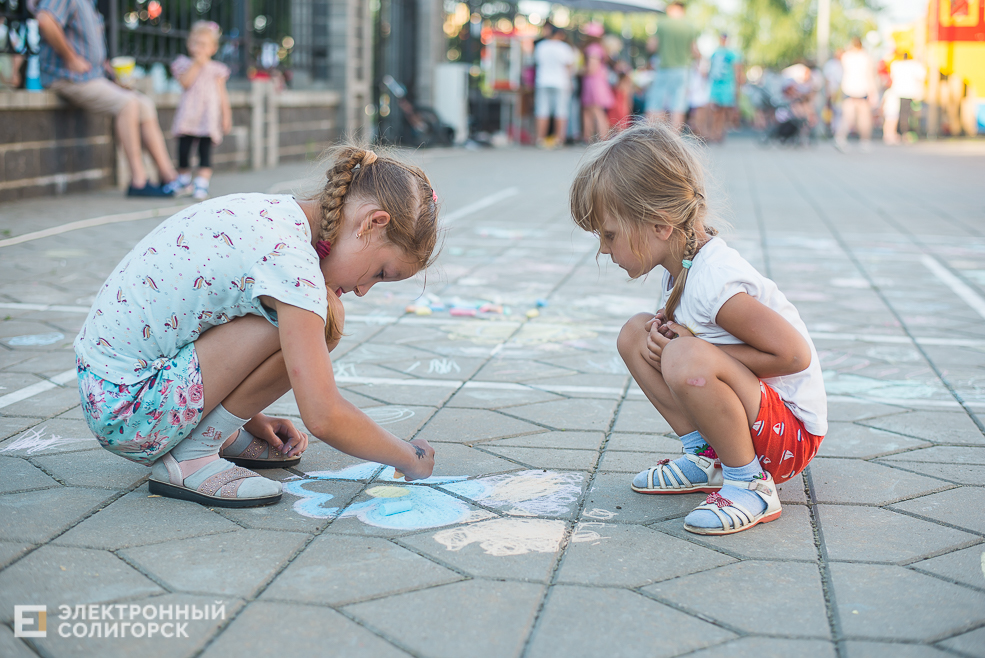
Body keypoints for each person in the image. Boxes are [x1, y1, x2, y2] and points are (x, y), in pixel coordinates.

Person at [74, 146, 439, 507]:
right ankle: (192, 457)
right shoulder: (293, 266)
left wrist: (247, 419)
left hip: (109, 391)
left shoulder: (277, 213)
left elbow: (201, 311)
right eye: (380, 273)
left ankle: (207, 432)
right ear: (373, 222)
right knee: (325, 318)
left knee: (307, 312)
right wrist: (409, 457)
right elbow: (324, 415)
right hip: (131, 414)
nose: (362, 290)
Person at [569, 123, 827, 535]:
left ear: (660, 224)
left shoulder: (715, 280)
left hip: (788, 437)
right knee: (636, 334)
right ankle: (707, 457)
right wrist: (671, 335)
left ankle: (750, 485)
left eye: (609, 234)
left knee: (683, 355)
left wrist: (696, 348)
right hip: (756, 421)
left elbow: (794, 355)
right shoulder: (683, 267)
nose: (603, 248)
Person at [35, 0, 180, 196]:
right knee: (128, 104)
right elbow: (45, 20)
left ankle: (168, 177)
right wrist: (70, 58)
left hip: (92, 76)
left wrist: (107, 70)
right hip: (69, 77)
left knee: (144, 104)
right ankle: (138, 181)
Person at [171, 21, 232, 199]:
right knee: (184, 148)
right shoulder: (184, 64)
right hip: (189, 114)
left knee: (205, 150)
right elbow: (185, 83)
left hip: (208, 116)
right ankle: (183, 179)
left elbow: (223, 95)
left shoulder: (217, 70)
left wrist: (226, 115)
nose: (199, 48)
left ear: (212, 48)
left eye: (204, 45)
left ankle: (201, 183)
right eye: (196, 43)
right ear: (189, 44)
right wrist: (196, 64)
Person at [645, 1, 699, 131]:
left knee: (656, 102)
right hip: (682, 70)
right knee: (678, 105)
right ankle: (675, 139)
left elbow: (651, 46)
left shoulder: (662, 24)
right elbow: (694, 51)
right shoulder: (689, 26)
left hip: (663, 68)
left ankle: (650, 138)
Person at [533, 25, 575, 148]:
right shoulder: (564, 48)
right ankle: (559, 139)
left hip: (542, 81)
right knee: (561, 111)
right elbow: (569, 67)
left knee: (542, 110)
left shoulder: (541, 46)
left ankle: (540, 139)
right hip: (561, 82)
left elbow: (536, 63)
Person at [835, 37, 877, 152]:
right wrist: (873, 93)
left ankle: (840, 139)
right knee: (864, 118)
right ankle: (865, 142)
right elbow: (870, 76)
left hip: (848, 89)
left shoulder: (846, 56)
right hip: (862, 89)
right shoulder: (866, 57)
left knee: (847, 117)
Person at [580, 23, 614, 142]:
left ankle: (602, 138)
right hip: (598, 82)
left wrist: (579, 71)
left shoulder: (592, 49)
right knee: (590, 110)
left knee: (595, 110)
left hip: (593, 83)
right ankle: (588, 137)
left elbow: (591, 69)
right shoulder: (601, 48)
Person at [882, 52, 925, 145]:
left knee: (897, 114)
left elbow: (892, 77)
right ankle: (905, 133)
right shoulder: (914, 64)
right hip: (909, 92)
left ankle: (898, 133)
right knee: (907, 114)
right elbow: (922, 76)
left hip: (899, 91)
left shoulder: (896, 64)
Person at [707, 33, 743, 143]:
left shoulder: (732, 54)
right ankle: (713, 132)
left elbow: (737, 70)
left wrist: (737, 86)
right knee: (715, 110)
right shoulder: (715, 53)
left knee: (723, 111)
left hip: (726, 85)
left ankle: (718, 133)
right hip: (716, 85)